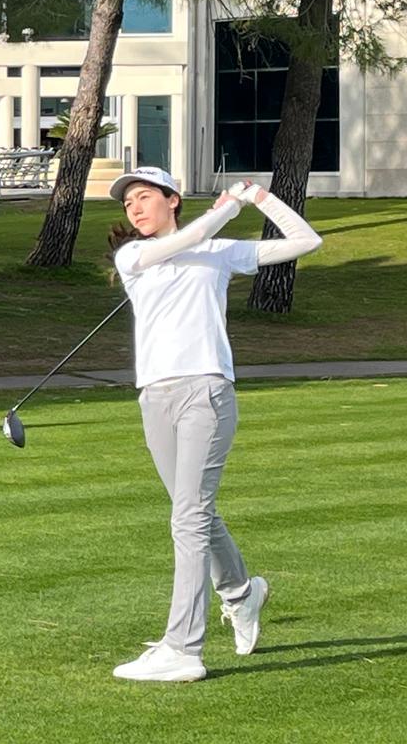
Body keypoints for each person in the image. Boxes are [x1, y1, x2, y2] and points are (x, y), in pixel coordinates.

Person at [105, 166, 323, 682]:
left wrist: (261, 198)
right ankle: (243, 593)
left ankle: (183, 648)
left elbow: (306, 241)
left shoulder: (218, 252)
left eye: (144, 197)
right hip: (154, 397)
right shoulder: (131, 256)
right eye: (128, 203)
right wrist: (226, 207)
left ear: (172, 199)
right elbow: (190, 237)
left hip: (206, 391)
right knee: (195, 512)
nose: (135, 208)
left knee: (189, 517)